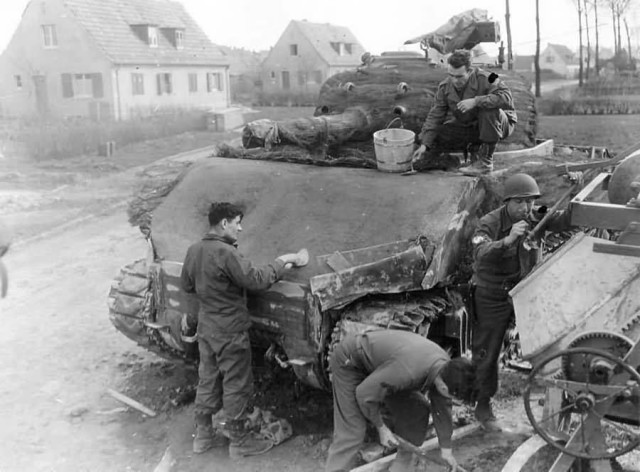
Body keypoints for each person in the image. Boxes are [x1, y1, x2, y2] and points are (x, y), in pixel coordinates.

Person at [180, 202, 307, 457]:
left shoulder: (194, 250)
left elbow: (187, 285)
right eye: (237, 222)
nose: (241, 227)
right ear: (224, 223)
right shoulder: (226, 253)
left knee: (208, 379)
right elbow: (256, 280)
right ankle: (239, 441)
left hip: (207, 329)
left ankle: (202, 436)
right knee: (236, 383)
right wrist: (283, 261)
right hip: (230, 332)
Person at [469, 173, 578, 431]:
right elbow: (478, 252)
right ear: (507, 202)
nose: (526, 208)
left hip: (525, 291)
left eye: (530, 202)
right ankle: (482, 407)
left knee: (548, 341)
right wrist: (506, 241)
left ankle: (555, 403)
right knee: (487, 351)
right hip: (492, 294)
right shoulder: (490, 222)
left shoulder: (534, 217)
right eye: (520, 202)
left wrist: (576, 191)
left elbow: (565, 221)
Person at [325, 329, 476, 472]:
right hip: (351, 363)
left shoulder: (445, 370)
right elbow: (364, 394)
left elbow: (442, 409)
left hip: (384, 371)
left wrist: (446, 450)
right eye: (453, 398)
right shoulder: (409, 371)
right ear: (443, 387)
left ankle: (401, 468)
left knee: (418, 409)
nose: (451, 401)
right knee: (354, 431)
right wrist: (381, 427)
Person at [412, 49, 517, 175]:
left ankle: (485, 162)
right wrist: (425, 144)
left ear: (470, 70)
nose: (455, 81)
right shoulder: (445, 87)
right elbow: (435, 116)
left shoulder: (489, 76)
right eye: (451, 75)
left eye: (459, 76)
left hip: (499, 123)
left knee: (487, 110)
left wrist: (476, 101)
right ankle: (450, 161)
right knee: (438, 134)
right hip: (469, 125)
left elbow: (506, 97)